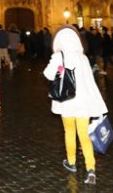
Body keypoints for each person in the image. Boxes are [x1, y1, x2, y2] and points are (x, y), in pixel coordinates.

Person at [44, 25, 108, 185]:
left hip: (67, 102)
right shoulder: (83, 57)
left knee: (69, 132)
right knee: (84, 136)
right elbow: (90, 82)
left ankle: (71, 162)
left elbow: (48, 74)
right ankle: (91, 169)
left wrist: (60, 68)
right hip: (83, 104)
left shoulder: (60, 56)